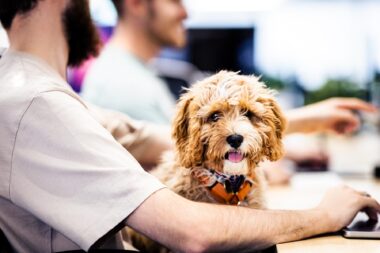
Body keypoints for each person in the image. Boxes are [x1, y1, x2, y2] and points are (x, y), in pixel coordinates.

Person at [0, 1, 379, 253]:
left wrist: (293, 121)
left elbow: (158, 136)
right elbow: (192, 231)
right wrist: (323, 215)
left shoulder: (41, 93)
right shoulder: (33, 101)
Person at [81, 0, 187, 124]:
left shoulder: (128, 72)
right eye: (174, 2)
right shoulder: (126, 89)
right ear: (136, 4)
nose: (185, 13)